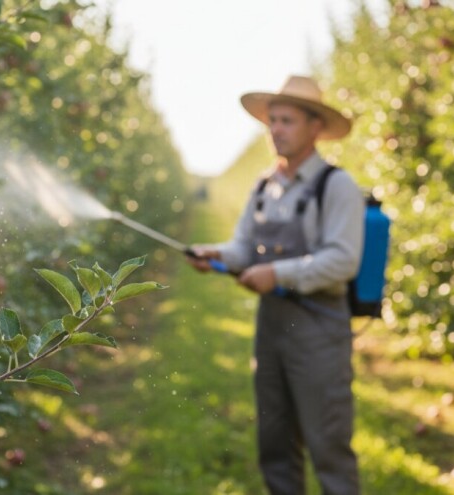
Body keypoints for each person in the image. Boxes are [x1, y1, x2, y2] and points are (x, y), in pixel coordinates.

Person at [187, 75, 364, 495]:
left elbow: (343, 260)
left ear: (315, 127)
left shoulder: (337, 186)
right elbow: (244, 246)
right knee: (275, 439)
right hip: (272, 328)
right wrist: (216, 254)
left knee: (328, 443)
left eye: (287, 121)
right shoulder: (264, 186)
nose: (276, 130)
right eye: (272, 122)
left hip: (320, 330)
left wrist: (277, 274)